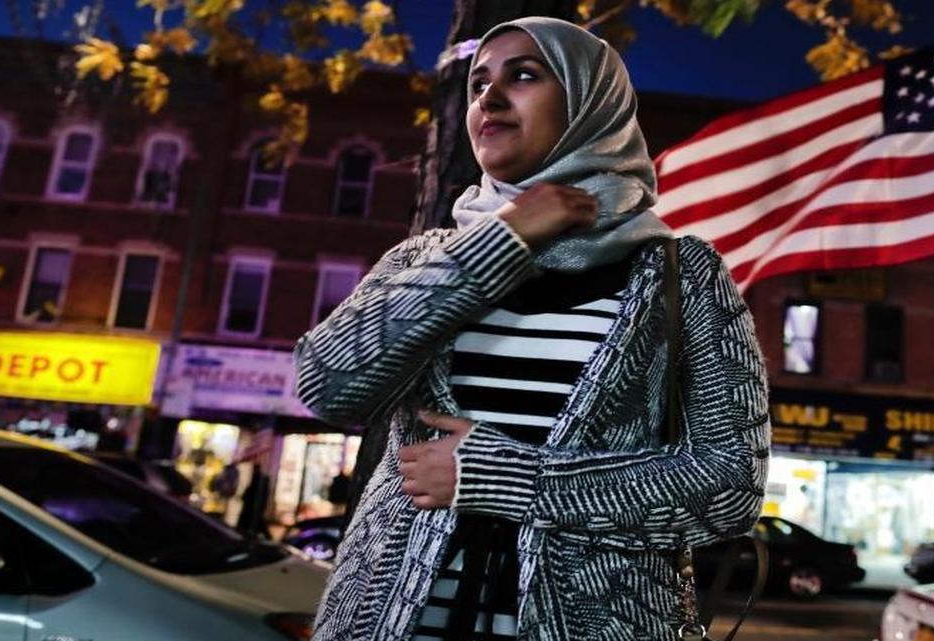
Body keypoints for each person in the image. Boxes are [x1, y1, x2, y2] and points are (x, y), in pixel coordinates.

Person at [293, 17, 770, 641]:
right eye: (477, 83)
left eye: (523, 75)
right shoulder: (425, 259)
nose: (488, 98)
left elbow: (730, 484)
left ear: (588, 103)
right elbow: (327, 386)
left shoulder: (682, 276)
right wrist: (504, 238)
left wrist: (514, 482)